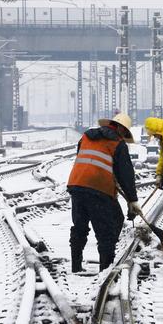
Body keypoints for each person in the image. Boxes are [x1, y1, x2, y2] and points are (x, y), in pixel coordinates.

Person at [67, 113, 139, 273]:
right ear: (120, 128)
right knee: (109, 227)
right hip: (98, 189)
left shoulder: (86, 136)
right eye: (124, 132)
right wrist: (133, 200)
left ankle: (76, 266)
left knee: (79, 227)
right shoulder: (118, 143)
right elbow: (126, 174)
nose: (123, 136)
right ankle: (105, 270)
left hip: (76, 184)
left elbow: (86, 158)